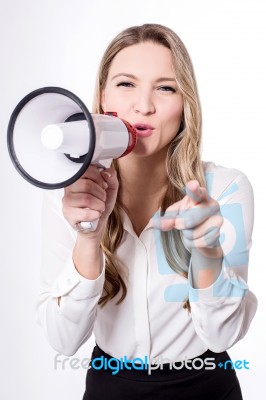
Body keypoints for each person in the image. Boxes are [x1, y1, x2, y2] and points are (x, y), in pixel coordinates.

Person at [36, 24, 258, 399]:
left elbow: (223, 336)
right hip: (111, 386)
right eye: (126, 84)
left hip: (205, 386)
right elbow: (63, 340)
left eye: (165, 87)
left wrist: (207, 252)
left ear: (186, 103)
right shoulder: (69, 199)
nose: (144, 106)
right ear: (102, 95)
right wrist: (88, 237)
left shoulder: (224, 189)